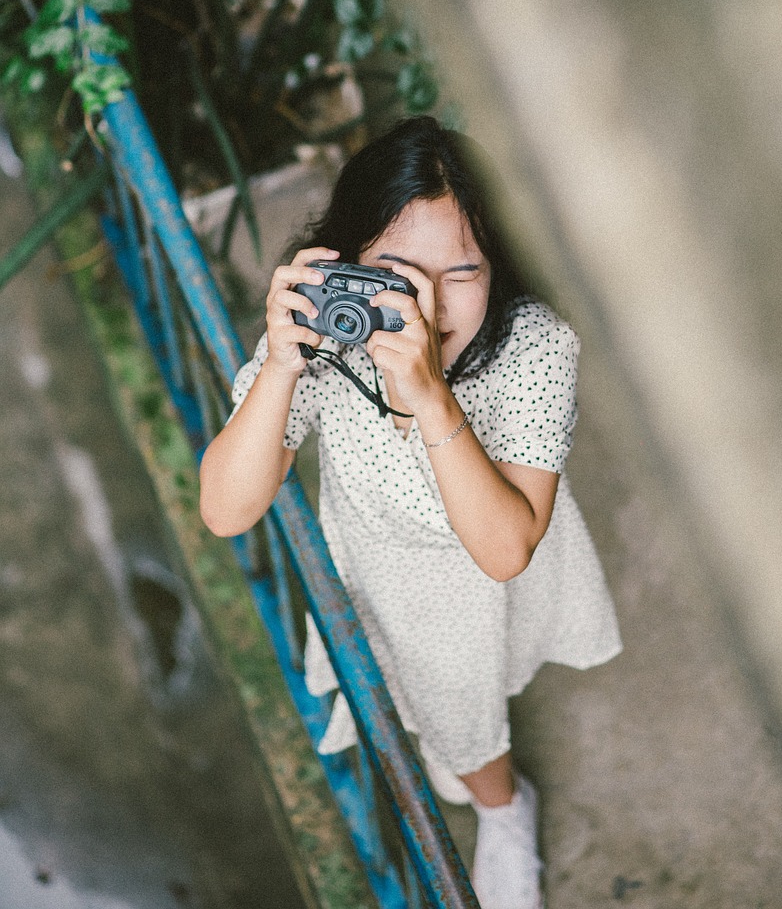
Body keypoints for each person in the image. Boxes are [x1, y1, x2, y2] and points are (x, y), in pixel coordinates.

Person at [199, 115, 621, 909]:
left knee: (459, 722)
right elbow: (225, 509)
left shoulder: (536, 347)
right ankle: (473, 770)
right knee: (427, 699)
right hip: (383, 562)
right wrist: (282, 367)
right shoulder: (331, 340)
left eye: (461, 272)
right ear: (343, 264)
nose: (424, 307)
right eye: (395, 273)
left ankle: (504, 812)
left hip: (493, 554)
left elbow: (505, 550)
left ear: (502, 268)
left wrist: (429, 397)